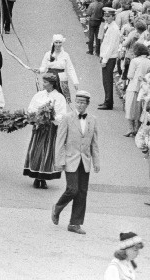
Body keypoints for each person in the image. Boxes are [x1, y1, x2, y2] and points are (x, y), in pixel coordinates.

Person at [52, 90, 100, 235]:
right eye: (78, 102)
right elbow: (60, 141)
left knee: (82, 192)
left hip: (85, 160)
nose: (80, 105)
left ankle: (75, 223)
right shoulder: (67, 118)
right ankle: (57, 207)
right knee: (73, 189)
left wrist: (96, 161)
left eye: (83, 103)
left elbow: (94, 143)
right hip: (70, 159)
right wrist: (59, 161)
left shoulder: (92, 119)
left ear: (87, 104)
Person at [24, 74, 68, 189]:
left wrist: (51, 117)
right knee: (36, 149)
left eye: (45, 82)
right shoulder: (39, 95)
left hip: (50, 128)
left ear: (52, 83)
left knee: (47, 151)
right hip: (39, 126)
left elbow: (62, 114)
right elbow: (31, 108)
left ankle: (43, 178)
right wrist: (36, 117)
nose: (43, 84)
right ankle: (36, 176)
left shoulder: (59, 97)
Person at [37, 34, 79, 102]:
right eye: (56, 42)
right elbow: (43, 67)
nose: (58, 44)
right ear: (53, 43)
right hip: (50, 79)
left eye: (60, 42)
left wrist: (75, 82)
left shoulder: (65, 55)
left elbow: (70, 68)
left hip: (61, 80)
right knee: (48, 99)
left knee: (61, 99)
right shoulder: (48, 54)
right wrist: (39, 70)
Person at [98, 7, 119, 110]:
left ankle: (108, 103)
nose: (106, 18)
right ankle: (107, 100)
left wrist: (105, 60)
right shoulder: (107, 26)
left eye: (108, 16)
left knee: (107, 80)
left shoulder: (114, 29)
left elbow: (110, 46)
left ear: (113, 17)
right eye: (105, 16)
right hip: (106, 55)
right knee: (105, 80)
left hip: (110, 57)